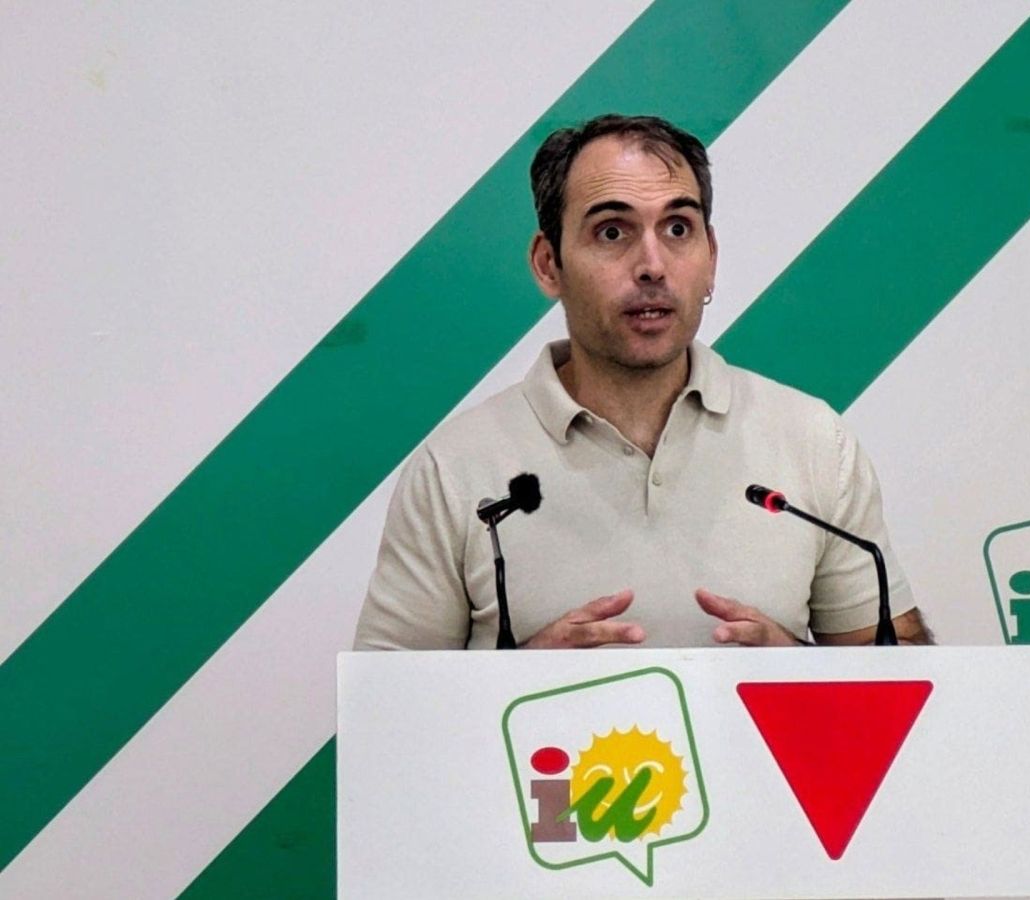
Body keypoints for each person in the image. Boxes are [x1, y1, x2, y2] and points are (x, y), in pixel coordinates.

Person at [354, 114, 932, 651]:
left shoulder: (813, 442)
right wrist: (519, 682)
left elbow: (904, 672)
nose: (652, 265)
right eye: (612, 232)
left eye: (678, 228)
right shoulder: (454, 470)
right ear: (548, 264)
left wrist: (793, 670)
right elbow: (383, 709)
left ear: (710, 256)